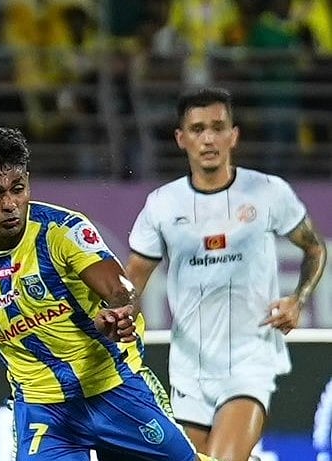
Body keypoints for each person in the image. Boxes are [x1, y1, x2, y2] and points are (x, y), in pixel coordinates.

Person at [0, 126, 217, 461]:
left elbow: (118, 286)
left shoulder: (61, 231)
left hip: (117, 391)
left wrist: (120, 311)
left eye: (18, 188)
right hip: (43, 410)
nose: (10, 203)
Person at [125, 87, 328, 461]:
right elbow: (132, 281)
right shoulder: (162, 205)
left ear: (233, 135)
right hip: (189, 368)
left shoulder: (268, 192)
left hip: (250, 361)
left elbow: (314, 248)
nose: (208, 138)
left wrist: (298, 299)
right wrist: (120, 316)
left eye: (218, 127)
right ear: (180, 138)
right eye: (198, 128)